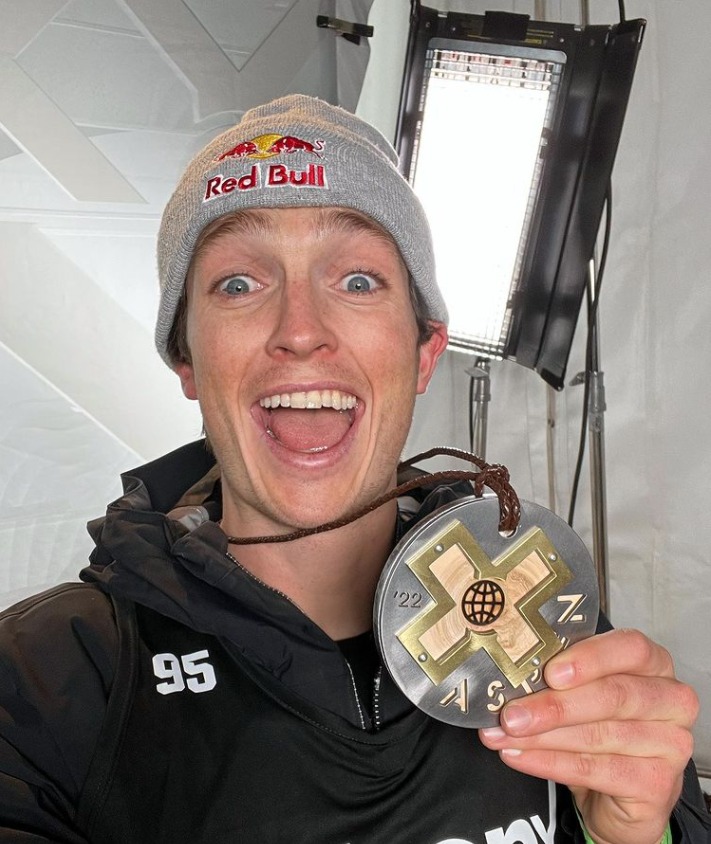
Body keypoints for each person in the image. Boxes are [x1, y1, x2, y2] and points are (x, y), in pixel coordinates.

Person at [0, 94, 708, 843]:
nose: (301, 330)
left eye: (358, 281)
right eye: (239, 283)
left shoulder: (538, 624)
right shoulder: (47, 681)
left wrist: (629, 836)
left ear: (424, 353)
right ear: (189, 362)